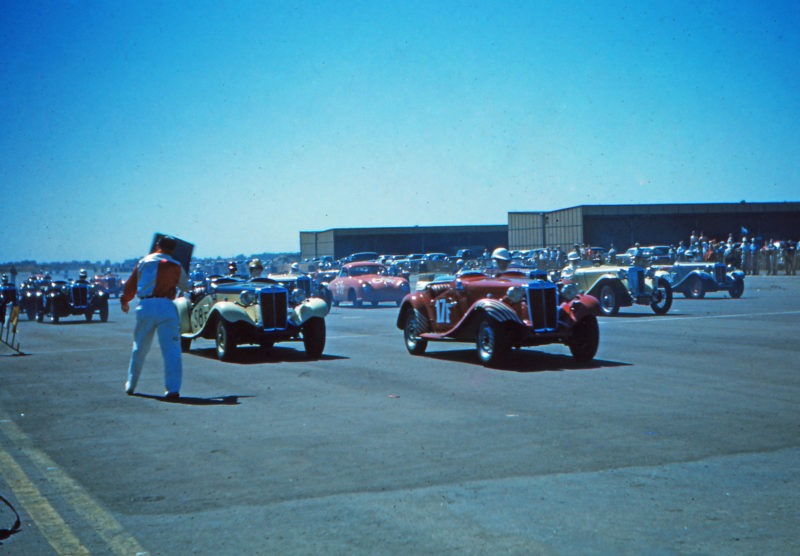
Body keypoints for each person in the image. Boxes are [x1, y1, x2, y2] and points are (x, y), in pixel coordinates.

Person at [121, 236, 190, 398]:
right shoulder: (176, 265)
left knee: (139, 347)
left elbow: (131, 285)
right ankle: (172, 390)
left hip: (145, 305)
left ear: (158, 246)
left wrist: (125, 300)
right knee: (171, 350)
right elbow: (186, 287)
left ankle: (131, 385)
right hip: (166, 306)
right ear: (173, 249)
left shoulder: (144, 262)